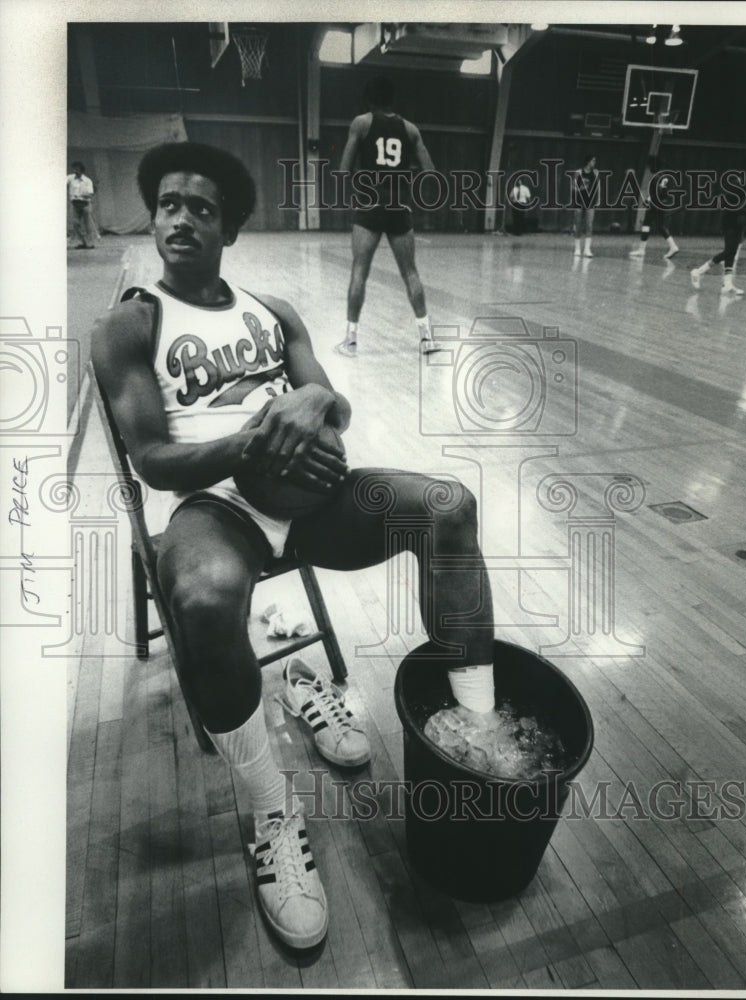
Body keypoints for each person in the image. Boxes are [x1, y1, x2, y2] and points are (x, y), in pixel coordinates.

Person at [91, 141, 498, 952]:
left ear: (230, 228)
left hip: (314, 502)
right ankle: (269, 805)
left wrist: (313, 401)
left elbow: (336, 404)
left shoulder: (273, 310)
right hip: (217, 506)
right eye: (167, 203)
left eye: (200, 208)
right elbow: (153, 460)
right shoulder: (131, 324)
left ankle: (475, 729)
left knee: (447, 506)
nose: (179, 218)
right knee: (202, 597)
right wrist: (252, 442)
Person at [334, 76, 438, 357]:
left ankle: (351, 341)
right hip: (398, 207)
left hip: (369, 206)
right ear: (392, 99)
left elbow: (343, 170)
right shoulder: (410, 129)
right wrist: (406, 174)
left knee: (360, 271)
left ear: (369, 99)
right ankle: (427, 339)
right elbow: (430, 171)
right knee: (410, 272)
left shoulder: (361, 123)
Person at [690, 163, 746, 294]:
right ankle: (698, 272)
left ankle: (727, 285)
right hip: (731, 223)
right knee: (729, 252)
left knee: (731, 253)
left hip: (737, 223)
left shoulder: (742, 185)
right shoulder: (736, 185)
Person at [629, 156, 680, 260]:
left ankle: (642, 250)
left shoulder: (657, 176)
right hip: (662, 204)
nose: (649, 168)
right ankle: (673, 246)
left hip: (656, 205)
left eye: (650, 166)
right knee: (659, 226)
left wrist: (648, 200)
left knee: (647, 224)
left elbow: (657, 192)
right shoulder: (663, 175)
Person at [571, 153, 599, 258]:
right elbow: (574, 188)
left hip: (590, 202)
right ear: (588, 161)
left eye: (595, 161)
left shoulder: (595, 173)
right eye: (593, 160)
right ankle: (577, 249)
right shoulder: (578, 172)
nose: (594, 163)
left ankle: (587, 249)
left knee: (589, 225)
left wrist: (597, 200)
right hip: (579, 202)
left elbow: (597, 188)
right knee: (578, 225)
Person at [67, 161, 97, 249]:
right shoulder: (70, 178)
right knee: (75, 223)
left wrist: (80, 195)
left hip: (85, 204)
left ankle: (90, 244)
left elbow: (91, 194)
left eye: (77, 169)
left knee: (87, 225)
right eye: (74, 169)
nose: (75, 171)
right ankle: (83, 242)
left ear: (81, 170)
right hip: (74, 204)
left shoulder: (87, 181)